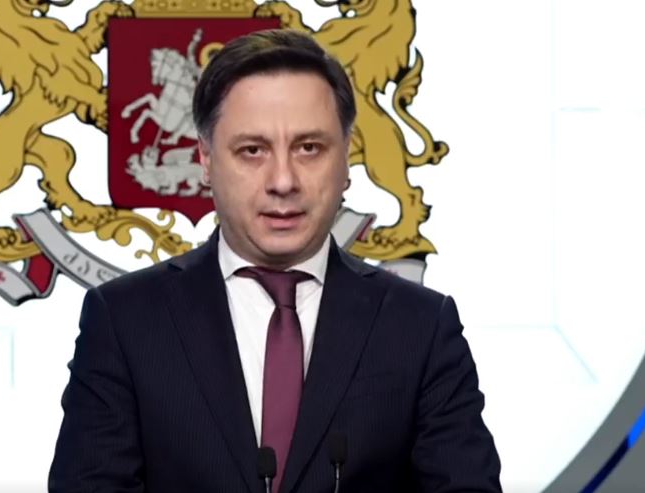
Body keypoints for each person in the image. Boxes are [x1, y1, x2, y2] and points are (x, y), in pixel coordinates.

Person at [49, 29, 501, 493]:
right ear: (205, 159)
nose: (283, 181)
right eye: (253, 150)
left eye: (309, 148)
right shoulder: (124, 322)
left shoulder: (420, 327)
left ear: (346, 158)